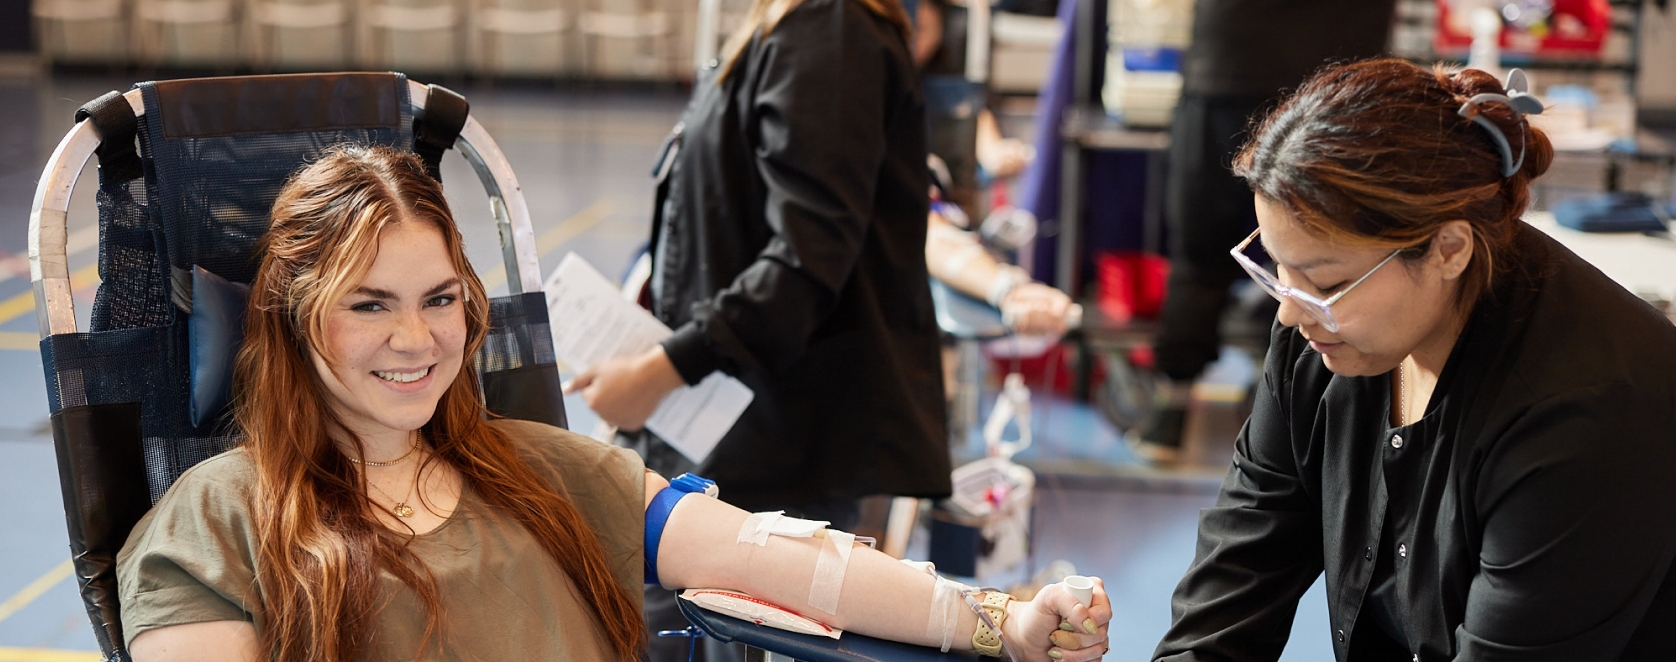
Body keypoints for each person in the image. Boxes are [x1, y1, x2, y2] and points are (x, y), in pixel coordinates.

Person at [113, 145, 1112, 662]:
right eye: (369, 305)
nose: (416, 341)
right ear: (293, 316)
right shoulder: (213, 523)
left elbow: (781, 561)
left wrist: (1000, 618)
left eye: (439, 299)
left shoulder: (546, 468)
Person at [1152, 59, 1674, 661]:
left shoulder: (1585, 409)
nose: (1290, 314)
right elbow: (1240, 569)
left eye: (1325, 281)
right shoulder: (1323, 331)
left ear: (1448, 249)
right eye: (1275, 266)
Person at [563, 0, 954, 658]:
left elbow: (806, 262)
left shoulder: (830, 30)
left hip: (776, 448)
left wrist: (662, 370)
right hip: (740, 427)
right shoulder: (797, 24)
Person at [1137, 0, 1396, 461]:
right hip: (1332, 84)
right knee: (1326, 262)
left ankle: (1182, 409)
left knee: (1205, 256)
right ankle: (1283, 414)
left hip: (1246, 72)